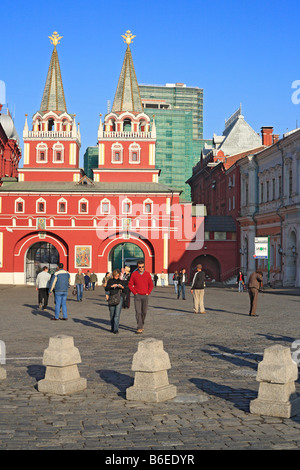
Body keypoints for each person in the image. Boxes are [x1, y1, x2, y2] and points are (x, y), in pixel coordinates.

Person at [128, 260, 153, 334]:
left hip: (145, 295)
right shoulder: (134, 274)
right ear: (137, 267)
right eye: (140, 267)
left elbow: (151, 285)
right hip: (137, 296)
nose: (141, 268)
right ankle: (139, 327)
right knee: (138, 312)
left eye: (143, 267)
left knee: (144, 312)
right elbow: (130, 284)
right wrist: (135, 293)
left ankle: (141, 323)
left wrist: (148, 292)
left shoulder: (147, 274)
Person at [105, 269, 126, 334]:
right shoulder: (110, 281)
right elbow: (106, 288)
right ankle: (112, 327)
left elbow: (125, 291)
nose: (117, 277)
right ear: (113, 275)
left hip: (119, 298)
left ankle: (116, 329)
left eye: (118, 276)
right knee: (112, 314)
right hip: (111, 298)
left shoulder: (121, 281)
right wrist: (112, 286)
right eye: (115, 276)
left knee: (117, 315)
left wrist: (122, 287)